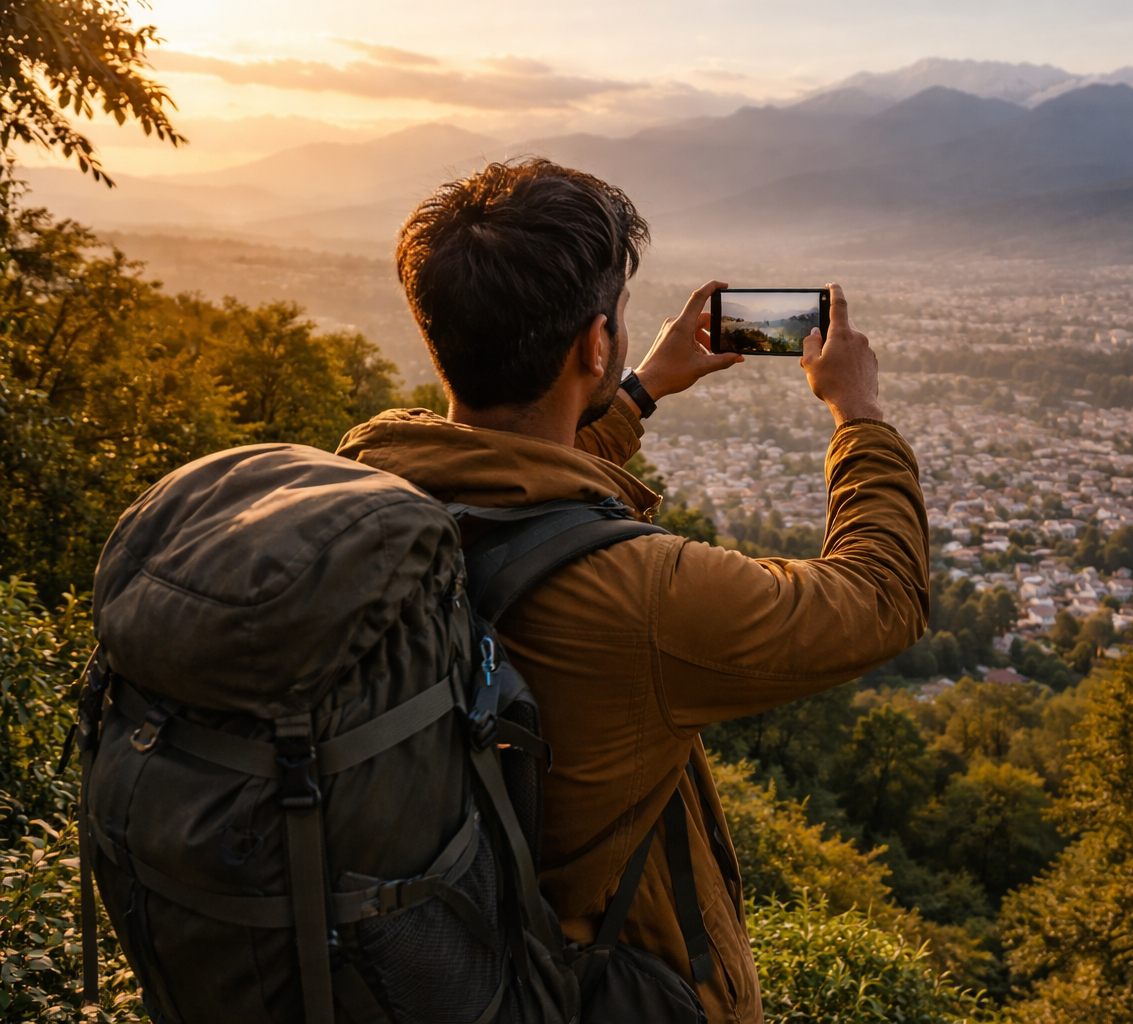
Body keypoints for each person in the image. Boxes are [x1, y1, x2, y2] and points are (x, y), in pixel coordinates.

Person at [337, 159, 928, 1024]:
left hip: (433, 953)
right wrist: (860, 414)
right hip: (595, 990)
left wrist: (641, 388)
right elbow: (882, 597)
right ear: (594, 342)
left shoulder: (376, 487)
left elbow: (519, 489)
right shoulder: (641, 597)